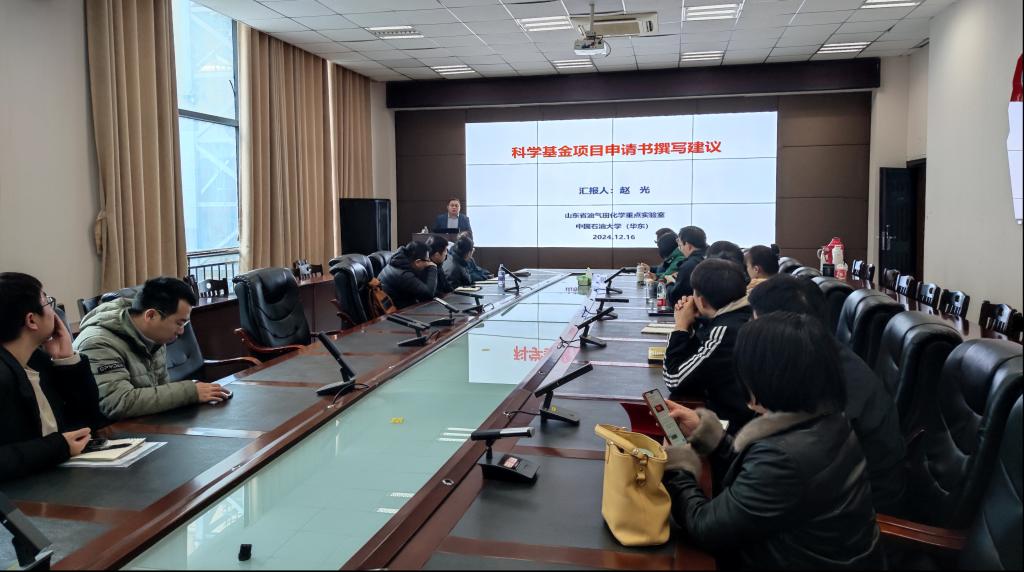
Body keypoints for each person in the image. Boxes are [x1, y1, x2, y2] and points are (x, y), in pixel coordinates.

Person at [661, 312, 884, 569]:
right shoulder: (830, 420)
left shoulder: (783, 460)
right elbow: (763, 482)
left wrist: (676, 467)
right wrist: (712, 437)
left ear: (765, 377)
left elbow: (704, 527)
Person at [747, 274, 906, 514]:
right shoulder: (819, 356)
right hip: (829, 495)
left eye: (755, 322)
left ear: (781, 329)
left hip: (858, 515)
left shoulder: (833, 392)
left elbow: (795, 472)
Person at [73, 277, 229, 420]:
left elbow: (160, 391)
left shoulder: (153, 336)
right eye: (179, 323)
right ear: (151, 315)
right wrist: (190, 392)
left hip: (146, 423)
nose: (182, 331)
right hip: (110, 433)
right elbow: (118, 403)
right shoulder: (98, 343)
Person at [1, 273, 107, 480]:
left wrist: (66, 360)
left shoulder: (37, 360)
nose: (54, 311)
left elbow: (90, 422)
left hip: (54, 476)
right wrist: (58, 447)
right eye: (47, 302)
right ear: (32, 320)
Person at [662, 258, 754, 433]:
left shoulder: (725, 331)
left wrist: (680, 326)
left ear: (702, 301)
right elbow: (700, 358)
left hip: (735, 431)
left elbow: (674, 378)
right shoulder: (743, 314)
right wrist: (696, 322)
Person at [378, 241, 439, 309]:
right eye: (428, 260)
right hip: (397, 312)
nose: (429, 262)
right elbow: (428, 295)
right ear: (418, 262)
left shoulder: (400, 263)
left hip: (403, 306)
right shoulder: (403, 275)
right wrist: (433, 268)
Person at [667, 226, 708, 306]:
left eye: (680, 246)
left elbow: (675, 298)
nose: (680, 249)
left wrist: (670, 283)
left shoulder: (689, 265)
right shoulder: (710, 257)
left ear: (688, 245)